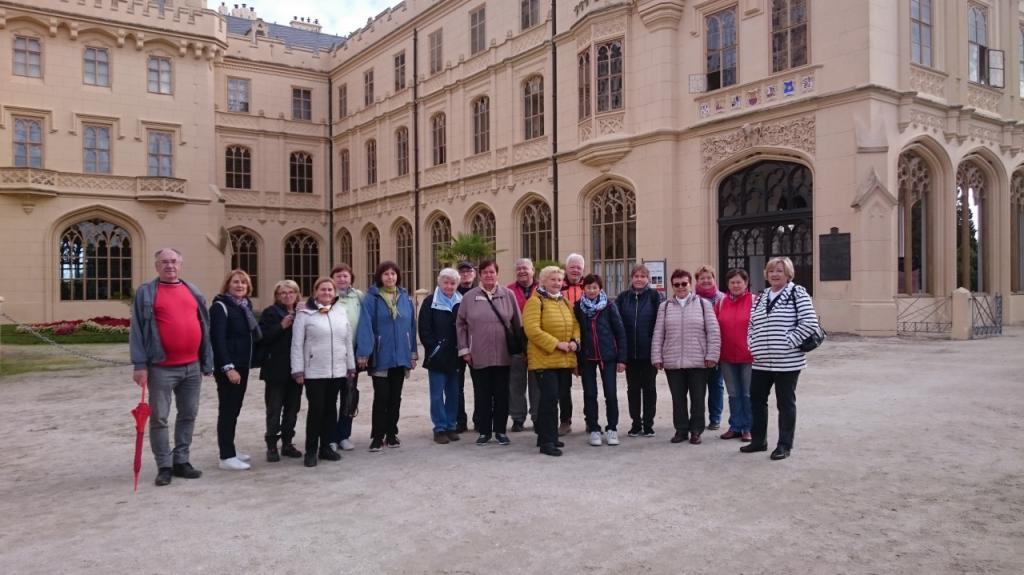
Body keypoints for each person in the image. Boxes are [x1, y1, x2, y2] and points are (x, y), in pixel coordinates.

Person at [129, 248, 213, 487]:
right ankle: (164, 465)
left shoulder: (192, 290)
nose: (169, 265)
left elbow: (205, 326)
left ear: (180, 264)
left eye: (174, 261)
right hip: (161, 368)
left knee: (188, 414)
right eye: (164, 262)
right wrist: (140, 365)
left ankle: (181, 460)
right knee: (159, 418)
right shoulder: (147, 292)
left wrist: (207, 361)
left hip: (192, 367)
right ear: (157, 266)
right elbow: (137, 330)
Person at [742, 257, 819, 460]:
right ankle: (758, 441)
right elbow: (752, 324)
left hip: (787, 361)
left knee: (785, 403)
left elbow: (810, 322)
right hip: (761, 361)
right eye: (771, 271)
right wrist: (752, 344)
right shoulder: (761, 296)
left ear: (788, 274)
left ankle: (784, 445)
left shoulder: (797, 293)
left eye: (779, 271)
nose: (775, 274)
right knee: (757, 401)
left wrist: (788, 341)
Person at [291, 277, 357, 467]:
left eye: (330, 290)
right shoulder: (305, 313)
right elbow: (297, 344)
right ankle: (311, 450)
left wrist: (350, 366)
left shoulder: (340, 311)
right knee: (316, 410)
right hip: (314, 371)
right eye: (323, 289)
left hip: (337, 370)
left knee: (330, 409)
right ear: (315, 292)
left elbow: (347, 340)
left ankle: (326, 447)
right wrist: (297, 370)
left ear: (334, 293)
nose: (327, 293)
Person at [651, 269, 721, 445]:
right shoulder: (665, 307)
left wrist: (712, 355)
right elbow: (659, 333)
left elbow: (713, 331)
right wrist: (657, 356)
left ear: (690, 284)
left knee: (698, 398)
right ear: (672, 286)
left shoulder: (703, 304)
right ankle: (681, 430)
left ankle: (696, 430)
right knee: (678, 398)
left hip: (698, 360)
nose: (681, 287)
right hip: (673, 361)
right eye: (677, 284)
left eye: (684, 283)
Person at [456, 260, 522, 446]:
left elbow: (518, 323)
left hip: (503, 355)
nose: (488, 275)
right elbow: (460, 325)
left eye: (492, 272)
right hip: (478, 354)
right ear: (480, 275)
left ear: (497, 274)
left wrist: (520, 349)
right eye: (485, 272)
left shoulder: (508, 295)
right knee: (482, 394)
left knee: (502, 394)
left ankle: (500, 431)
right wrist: (465, 350)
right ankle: (484, 431)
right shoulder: (469, 297)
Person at [356, 261, 418, 452]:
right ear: (380, 277)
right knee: (381, 397)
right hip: (381, 355)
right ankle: (377, 436)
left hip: (401, 356)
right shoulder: (372, 298)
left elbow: (411, 326)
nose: (390, 277)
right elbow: (365, 325)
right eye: (386, 274)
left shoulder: (405, 297)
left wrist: (413, 353)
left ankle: (392, 434)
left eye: (393, 273)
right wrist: (364, 352)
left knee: (395, 398)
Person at [523, 266, 580, 457]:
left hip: (564, 359)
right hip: (544, 360)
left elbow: (575, 324)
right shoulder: (535, 301)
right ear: (543, 281)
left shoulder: (564, 301)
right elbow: (532, 330)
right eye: (553, 279)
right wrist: (556, 344)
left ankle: (548, 436)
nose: (557, 283)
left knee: (555, 398)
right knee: (548, 400)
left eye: (559, 280)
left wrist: (575, 341)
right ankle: (547, 442)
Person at [210, 269, 262, 471]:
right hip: (230, 367)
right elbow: (218, 339)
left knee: (235, 409)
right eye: (236, 282)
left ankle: (230, 448)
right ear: (227, 285)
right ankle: (226, 456)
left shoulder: (244, 306)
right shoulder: (220, 307)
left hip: (242, 365)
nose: (240, 285)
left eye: (244, 282)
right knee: (228, 410)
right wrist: (227, 367)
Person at [574, 274, 626, 447]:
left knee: (610, 394)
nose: (591, 291)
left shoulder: (609, 306)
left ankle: (612, 428)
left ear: (600, 288)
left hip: (608, 356)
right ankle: (594, 428)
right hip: (587, 357)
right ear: (583, 288)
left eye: (595, 287)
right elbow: (575, 332)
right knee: (590, 394)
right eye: (588, 287)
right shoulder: (578, 307)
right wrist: (576, 362)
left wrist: (622, 359)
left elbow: (619, 332)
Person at [258, 280, 304, 462]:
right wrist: (281, 326)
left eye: (291, 292)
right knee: (274, 409)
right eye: (283, 293)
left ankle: (287, 443)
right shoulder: (270, 313)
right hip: (275, 369)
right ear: (277, 296)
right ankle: (271, 445)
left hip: (296, 369)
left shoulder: (302, 313)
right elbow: (262, 337)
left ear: (297, 294)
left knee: (292, 409)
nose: (287, 296)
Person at [616, 263, 663, 438]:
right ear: (631, 278)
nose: (639, 279)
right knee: (633, 389)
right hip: (630, 353)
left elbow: (660, 325)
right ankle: (636, 423)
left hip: (649, 352)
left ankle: (648, 424)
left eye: (643, 276)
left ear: (648, 279)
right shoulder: (622, 298)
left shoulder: (655, 296)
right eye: (636, 276)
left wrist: (658, 352)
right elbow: (618, 325)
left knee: (649, 388)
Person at [418, 268, 463, 444]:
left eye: (453, 283)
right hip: (437, 355)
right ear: (439, 282)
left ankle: (451, 426)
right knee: (437, 395)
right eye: (446, 282)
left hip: (455, 354)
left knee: (453, 393)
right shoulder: (430, 301)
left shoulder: (461, 301)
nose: (449, 286)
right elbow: (424, 328)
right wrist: (433, 347)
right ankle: (439, 428)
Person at [715, 268, 755, 442]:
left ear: (746, 283)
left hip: (749, 356)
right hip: (727, 356)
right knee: (733, 393)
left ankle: (749, 427)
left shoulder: (754, 301)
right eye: (732, 282)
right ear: (727, 284)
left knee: (747, 393)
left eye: (739, 282)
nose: (736, 285)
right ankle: (735, 426)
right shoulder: (721, 303)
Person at [330, 264, 364, 452]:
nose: (342, 279)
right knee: (330, 397)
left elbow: (365, 322)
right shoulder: (327, 295)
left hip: (352, 355)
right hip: (331, 356)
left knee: (349, 396)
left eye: (345, 276)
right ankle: (329, 436)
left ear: (351, 278)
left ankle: (344, 435)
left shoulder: (358, 296)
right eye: (338, 276)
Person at [507, 258, 539, 432]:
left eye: (525, 268)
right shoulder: (508, 290)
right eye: (518, 269)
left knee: (537, 384)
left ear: (533, 270)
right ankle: (517, 418)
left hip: (537, 344)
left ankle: (537, 417)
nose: (522, 271)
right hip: (516, 343)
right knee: (516, 384)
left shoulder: (542, 289)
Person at [695, 265, 727, 431]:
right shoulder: (692, 299)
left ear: (714, 279)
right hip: (696, 349)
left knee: (716, 385)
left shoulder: (723, 299)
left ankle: (715, 418)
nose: (706, 281)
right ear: (697, 281)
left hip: (717, 347)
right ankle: (697, 419)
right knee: (697, 388)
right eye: (702, 278)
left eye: (709, 278)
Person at [557, 252, 586, 435]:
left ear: (583, 269)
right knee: (563, 385)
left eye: (579, 267)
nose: (575, 270)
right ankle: (565, 420)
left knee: (589, 385)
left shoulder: (589, 286)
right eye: (572, 267)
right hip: (565, 343)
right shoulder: (558, 286)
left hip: (585, 343)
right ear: (566, 268)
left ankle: (590, 420)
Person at [454, 260, 477, 432]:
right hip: (456, 347)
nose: (465, 275)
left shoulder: (479, 293)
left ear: (474, 274)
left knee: (480, 385)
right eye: (462, 272)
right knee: (457, 386)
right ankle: (459, 421)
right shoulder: (451, 294)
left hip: (476, 345)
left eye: (469, 271)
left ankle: (480, 419)